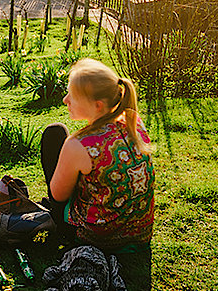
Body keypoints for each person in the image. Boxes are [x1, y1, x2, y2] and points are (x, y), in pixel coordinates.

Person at [40, 58, 155, 250]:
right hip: (139, 235)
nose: (65, 100)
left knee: (55, 134)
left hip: (96, 238)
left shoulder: (78, 145)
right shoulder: (133, 120)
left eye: (72, 96)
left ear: (98, 105)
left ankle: (59, 226)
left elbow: (58, 196)